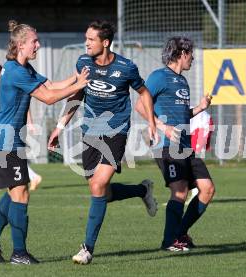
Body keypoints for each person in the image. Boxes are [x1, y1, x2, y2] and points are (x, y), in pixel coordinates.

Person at [0, 20, 89, 265]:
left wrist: (76, 78)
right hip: (6, 143)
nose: (38, 45)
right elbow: (49, 97)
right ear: (20, 45)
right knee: (21, 196)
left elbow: (50, 85)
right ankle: (19, 253)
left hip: (9, 142)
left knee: (16, 191)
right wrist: (79, 86)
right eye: (34, 42)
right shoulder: (17, 71)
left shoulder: (22, 67)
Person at [47, 20, 158, 265]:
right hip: (90, 132)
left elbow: (145, 93)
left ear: (105, 42)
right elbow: (77, 94)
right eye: (86, 38)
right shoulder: (83, 63)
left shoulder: (126, 67)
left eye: (91, 39)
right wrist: (59, 127)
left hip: (116, 131)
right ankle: (142, 190)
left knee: (98, 185)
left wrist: (152, 122)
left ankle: (87, 249)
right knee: (102, 192)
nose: (86, 43)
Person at [136, 36, 215, 251]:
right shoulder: (159, 77)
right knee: (179, 192)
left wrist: (199, 108)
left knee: (207, 189)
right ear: (182, 54)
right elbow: (140, 106)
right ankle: (169, 241)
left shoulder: (182, 81)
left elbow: (181, 114)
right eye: (191, 55)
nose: (193, 60)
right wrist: (162, 127)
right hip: (166, 146)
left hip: (185, 145)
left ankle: (179, 233)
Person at [0, 64, 42, 192]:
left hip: (12, 124)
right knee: (1, 151)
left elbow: (24, 103)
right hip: (4, 124)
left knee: (3, 151)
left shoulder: (8, 82)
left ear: (0, 73)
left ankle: (30, 177)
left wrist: (30, 123)